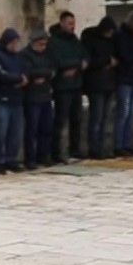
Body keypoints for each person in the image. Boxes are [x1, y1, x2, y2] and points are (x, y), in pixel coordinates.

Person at [0, 29, 27, 173]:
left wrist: (21, 78)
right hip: (1, 99)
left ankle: (11, 159)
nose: (15, 45)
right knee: (1, 131)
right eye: (12, 43)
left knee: (15, 132)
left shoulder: (18, 56)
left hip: (16, 99)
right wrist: (17, 78)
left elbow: (25, 71)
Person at [48, 11, 88, 164]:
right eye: (70, 23)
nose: (73, 26)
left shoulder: (74, 40)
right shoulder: (54, 41)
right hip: (62, 87)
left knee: (76, 119)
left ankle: (74, 150)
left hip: (76, 84)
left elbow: (84, 56)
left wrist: (76, 66)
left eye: (74, 23)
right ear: (62, 23)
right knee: (61, 120)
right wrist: (77, 64)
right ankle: (56, 153)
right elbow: (59, 62)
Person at [81, 16, 119, 161]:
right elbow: (90, 62)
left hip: (108, 83)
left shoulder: (110, 41)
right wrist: (107, 61)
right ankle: (94, 149)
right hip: (96, 85)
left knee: (104, 118)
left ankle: (102, 147)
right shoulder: (90, 40)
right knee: (96, 118)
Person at [112, 18, 133, 157]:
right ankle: (119, 145)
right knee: (123, 112)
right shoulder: (121, 36)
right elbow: (125, 56)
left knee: (131, 113)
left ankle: (126, 144)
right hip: (124, 78)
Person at [21, 30, 55, 169]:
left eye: (45, 44)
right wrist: (42, 74)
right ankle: (30, 159)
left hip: (45, 95)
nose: (43, 47)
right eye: (41, 44)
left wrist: (44, 75)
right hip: (32, 97)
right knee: (32, 130)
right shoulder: (25, 54)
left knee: (46, 128)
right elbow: (29, 73)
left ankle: (44, 156)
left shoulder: (47, 54)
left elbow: (52, 70)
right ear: (34, 42)